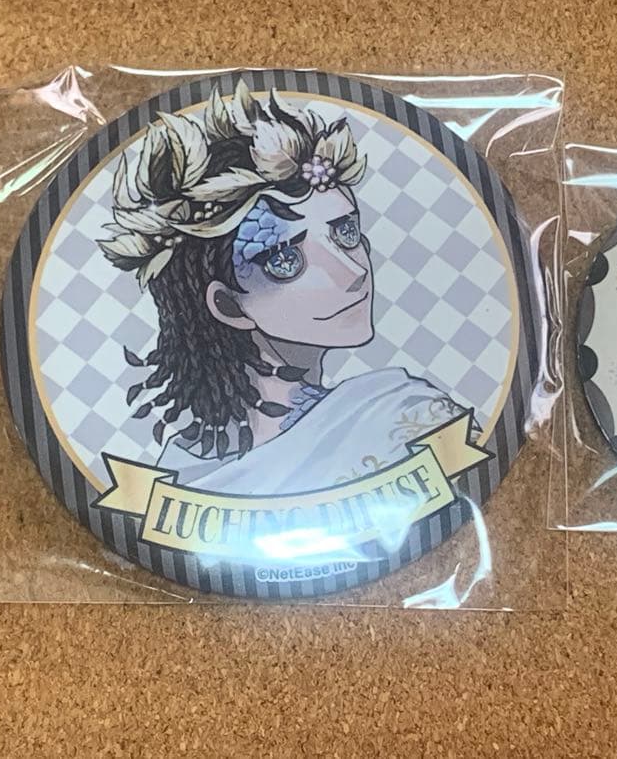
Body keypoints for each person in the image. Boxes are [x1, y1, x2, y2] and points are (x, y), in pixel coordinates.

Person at [100, 81, 468, 495]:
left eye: (346, 232)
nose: (353, 271)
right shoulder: (181, 474)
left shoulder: (400, 413)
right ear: (228, 304)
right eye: (285, 259)